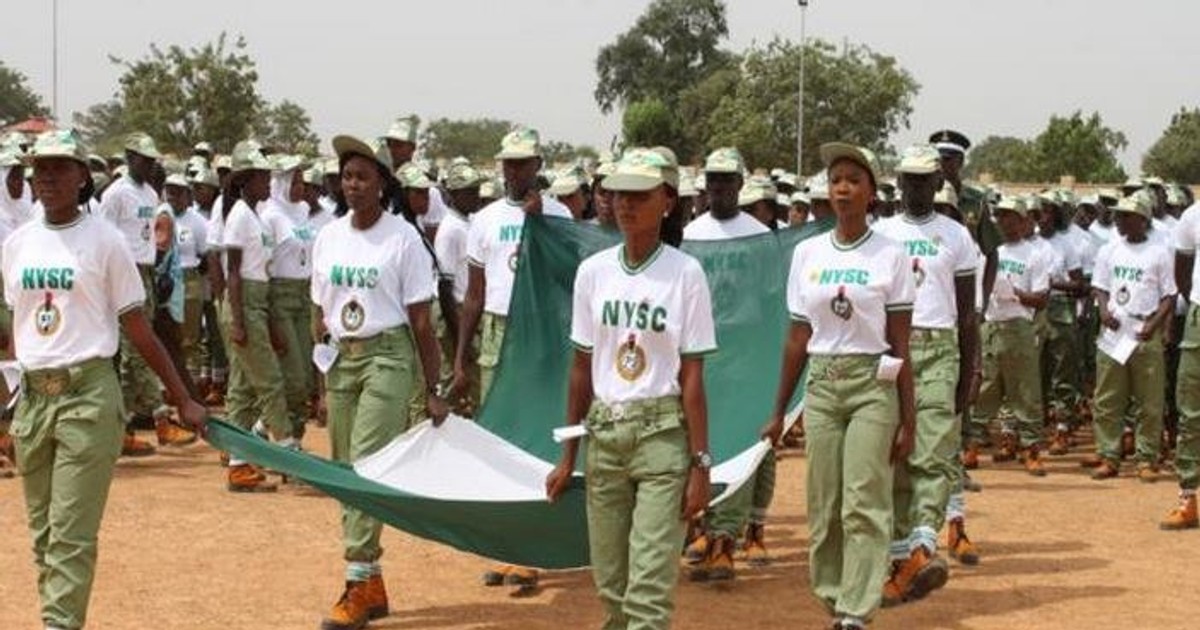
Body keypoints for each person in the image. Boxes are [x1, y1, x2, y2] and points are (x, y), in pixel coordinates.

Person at [5, 129, 206, 630]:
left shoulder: (106, 241)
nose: (47, 177)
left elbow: (138, 329)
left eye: (59, 168)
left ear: (82, 178)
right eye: (40, 169)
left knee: (70, 534)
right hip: (33, 399)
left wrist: (183, 398)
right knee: (44, 536)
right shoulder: (17, 244)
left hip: (88, 398)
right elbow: (16, 329)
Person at [546, 147, 714, 630]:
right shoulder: (593, 272)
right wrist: (567, 455)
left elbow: (692, 376)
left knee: (648, 588)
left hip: (662, 437)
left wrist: (700, 464)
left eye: (639, 195)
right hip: (604, 436)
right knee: (612, 585)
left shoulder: (685, 274)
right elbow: (581, 369)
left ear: (666, 201)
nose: (625, 204)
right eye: (618, 193)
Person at [765, 143, 915, 630]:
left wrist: (908, 419)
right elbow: (795, 338)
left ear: (872, 191)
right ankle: (833, 595)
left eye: (854, 179)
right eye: (836, 180)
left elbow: (899, 342)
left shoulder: (891, 255)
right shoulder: (807, 253)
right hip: (823, 384)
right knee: (824, 504)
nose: (843, 187)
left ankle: (856, 608)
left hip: (873, 384)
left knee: (864, 499)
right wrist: (779, 408)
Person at [311, 135, 449, 630]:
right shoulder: (329, 236)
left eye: (363, 176)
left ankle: (355, 584)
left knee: (367, 465)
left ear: (383, 184)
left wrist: (434, 388)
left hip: (388, 359)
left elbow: (422, 322)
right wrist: (321, 381)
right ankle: (371, 579)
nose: (352, 185)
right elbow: (320, 312)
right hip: (341, 359)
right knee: (345, 470)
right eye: (347, 176)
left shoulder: (403, 238)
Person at [450, 127, 571, 591]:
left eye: (521, 163)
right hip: (497, 331)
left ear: (538, 166)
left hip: (540, 329)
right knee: (499, 434)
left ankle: (530, 552)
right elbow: (474, 296)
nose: (512, 171)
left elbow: (569, 280)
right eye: (507, 163)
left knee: (537, 438)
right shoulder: (483, 220)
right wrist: (461, 358)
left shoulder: (559, 214)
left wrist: (541, 226)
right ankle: (505, 547)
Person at [874, 144, 977, 606]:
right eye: (908, 179)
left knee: (932, 451)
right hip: (891, 349)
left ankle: (922, 545)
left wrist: (969, 370)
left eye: (924, 179)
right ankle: (901, 562)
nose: (915, 187)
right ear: (898, 182)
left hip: (939, 349)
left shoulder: (956, 236)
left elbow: (969, 314)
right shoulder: (878, 233)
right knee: (894, 454)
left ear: (939, 184)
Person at [97, 132, 187, 455]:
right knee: (138, 349)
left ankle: (119, 429)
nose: (149, 165)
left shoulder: (151, 194)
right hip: (123, 272)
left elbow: (149, 237)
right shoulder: (115, 194)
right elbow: (102, 238)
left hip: (146, 272)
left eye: (152, 161)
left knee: (130, 359)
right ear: (129, 157)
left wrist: (159, 270)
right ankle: (162, 419)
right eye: (143, 159)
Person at [1088, 194, 1176, 481]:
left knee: (1149, 401)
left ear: (1142, 219)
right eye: (1119, 216)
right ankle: (1108, 455)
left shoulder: (1159, 252)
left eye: (1126, 215)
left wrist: (1155, 325)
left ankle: (1146, 457)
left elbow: (1169, 296)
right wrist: (1102, 312)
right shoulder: (1109, 251)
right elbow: (1100, 287)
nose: (1120, 220)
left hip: (1143, 332)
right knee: (1107, 398)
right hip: (1115, 332)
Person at [221, 140, 291, 492]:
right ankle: (287, 449)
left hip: (257, 300)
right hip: (243, 301)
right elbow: (233, 271)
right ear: (245, 181)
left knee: (243, 388)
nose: (269, 184)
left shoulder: (255, 216)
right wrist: (237, 319)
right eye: (263, 177)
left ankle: (239, 460)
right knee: (269, 380)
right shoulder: (238, 217)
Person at [965, 196, 1052, 476]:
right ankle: (972, 446)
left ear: (1024, 220)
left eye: (1010, 216)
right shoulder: (986, 253)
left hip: (1019, 326)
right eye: (1000, 216)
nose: (1003, 221)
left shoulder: (1034, 254)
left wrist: (1015, 293)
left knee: (1026, 392)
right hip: (990, 325)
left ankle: (1031, 449)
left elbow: (1041, 299)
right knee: (985, 388)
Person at [261, 154, 319, 441]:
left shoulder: (303, 211)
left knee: (305, 376)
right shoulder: (270, 215)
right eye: (294, 181)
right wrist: (270, 316)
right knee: (293, 378)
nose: (300, 187)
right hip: (280, 297)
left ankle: (263, 428)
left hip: (304, 296)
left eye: (302, 180)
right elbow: (265, 266)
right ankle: (291, 439)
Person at [1161, 186, 1200, 529]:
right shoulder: (1192, 217)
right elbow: (1182, 274)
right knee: (1190, 411)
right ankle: (1188, 497)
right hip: (1199, 321)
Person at [682, 148, 769, 241]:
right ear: (706, 184)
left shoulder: (760, 235)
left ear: (740, 184)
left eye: (727, 180)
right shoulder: (690, 235)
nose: (718, 186)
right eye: (712, 179)